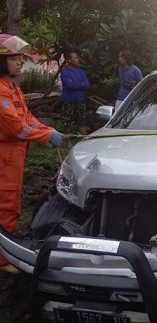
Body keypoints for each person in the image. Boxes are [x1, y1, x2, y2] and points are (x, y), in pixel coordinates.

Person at [0, 34, 64, 273]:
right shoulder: (1, 91)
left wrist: (47, 130)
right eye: (15, 58)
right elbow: (15, 127)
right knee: (6, 204)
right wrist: (46, 136)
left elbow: (27, 119)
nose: (20, 62)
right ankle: (2, 259)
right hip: (4, 156)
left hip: (13, 155)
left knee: (11, 202)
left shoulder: (12, 88)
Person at [60, 50, 90, 135]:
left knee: (82, 121)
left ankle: (83, 139)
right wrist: (81, 84)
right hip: (68, 100)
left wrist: (76, 84)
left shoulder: (81, 71)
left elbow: (87, 85)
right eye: (75, 58)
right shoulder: (65, 71)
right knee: (67, 122)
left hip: (80, 100)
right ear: (69, 60)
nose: (78, 59)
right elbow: (70, 85)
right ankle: (68, 141)